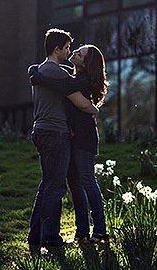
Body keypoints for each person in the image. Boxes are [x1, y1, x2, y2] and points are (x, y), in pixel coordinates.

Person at [29, 43, 109, 244]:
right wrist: (32, 70)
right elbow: (55, 73)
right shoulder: (72, 74)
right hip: (70, 137)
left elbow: (63, 87)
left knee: (88, 182)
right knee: (75, 186)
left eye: (79, 54)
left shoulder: (82, 80)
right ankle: (82, 231)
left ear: (86, 62)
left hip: (83, 137)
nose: (73, 53)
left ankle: (100, 230)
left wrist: (37, 77)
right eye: (73, 50)